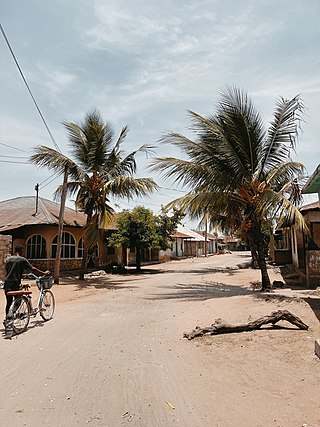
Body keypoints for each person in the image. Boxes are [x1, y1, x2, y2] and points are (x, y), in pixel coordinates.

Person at [3, 245, 50, 323]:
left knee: (9, 302)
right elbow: (33, 269)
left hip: (7, 283)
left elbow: (11, 272)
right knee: (18, 301)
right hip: (15, 283)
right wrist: (43, 273)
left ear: (15, 250)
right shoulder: (22, 260)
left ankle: (8, 319)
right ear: (22, 251)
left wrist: (22, 275)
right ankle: (10, 316)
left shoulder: (8, 259)